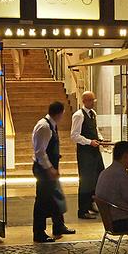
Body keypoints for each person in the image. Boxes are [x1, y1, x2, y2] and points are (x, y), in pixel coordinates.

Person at [32, 101, 75, 243]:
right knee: (42, 200)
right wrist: (49, 168)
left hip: (50, 168)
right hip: (44, 169)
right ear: (60, 112)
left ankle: (58, 226)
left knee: (56, 196)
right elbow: (40, 152)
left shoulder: (50, 125)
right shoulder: (44, 127)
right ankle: (39, 232)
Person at [71, 91, 106, 220]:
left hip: (94, 151)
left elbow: (95, 130)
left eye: (93, 100)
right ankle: (82, 210)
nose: (93, 103)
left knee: (98, 177)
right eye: (91, 100)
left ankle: (91, 203)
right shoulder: (79, 115)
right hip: (85, 153)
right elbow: (74, 136)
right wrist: (89, 142)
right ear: (85, 101)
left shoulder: (93, 114)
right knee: (86, 181)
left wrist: (101, 139)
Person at [95, 141, 128, 232]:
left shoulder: (105, 172)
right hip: (122, 221)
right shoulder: (121, 174)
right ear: (125, 156)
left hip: (111, 220)